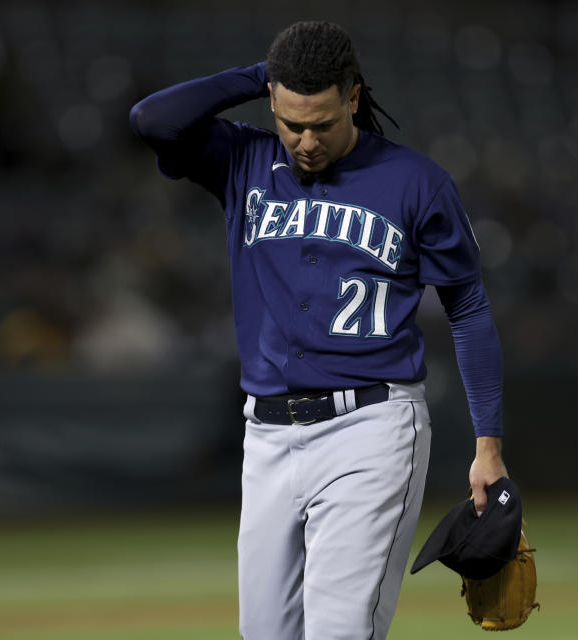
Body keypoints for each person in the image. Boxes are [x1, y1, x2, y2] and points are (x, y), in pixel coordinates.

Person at [130, 20, 508, 640]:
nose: (305, 140)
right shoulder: (243, 159)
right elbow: (152, 119)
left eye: (322, 123)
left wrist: (487, 445)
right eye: (291, 122)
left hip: (371, 430)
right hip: (267, 435)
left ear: (354, 97)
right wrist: (263, 75)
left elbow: (468, 309)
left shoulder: (417, 183)